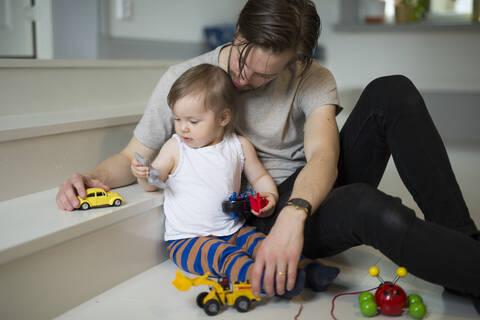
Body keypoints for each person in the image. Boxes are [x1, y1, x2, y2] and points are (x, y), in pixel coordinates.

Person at [56, 0, 480, 312]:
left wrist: (296, 213)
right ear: (239, 30)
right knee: (371, 210)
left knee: (392, 90)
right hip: (256, 213)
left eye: (264, 74)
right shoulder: (187, 80)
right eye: (243, 59)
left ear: (296, 60)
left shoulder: (312, 77)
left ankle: (465, 246)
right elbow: (133, 155)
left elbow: (322, 158)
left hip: (306, 195)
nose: (244, 78)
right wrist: (92, 178)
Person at [130, 63, 339, 297]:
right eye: (178, 119)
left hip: (233, 229)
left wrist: (269, 196)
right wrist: (146, 175)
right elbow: (154, 180)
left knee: (263, 243)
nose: (183, 128)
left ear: (223, 117)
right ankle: (267, 279)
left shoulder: (238, 146)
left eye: (193, 121)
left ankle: (307, 269)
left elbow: (259, 176)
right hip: (188, 240)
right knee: (227, 258)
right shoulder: (175, 148)